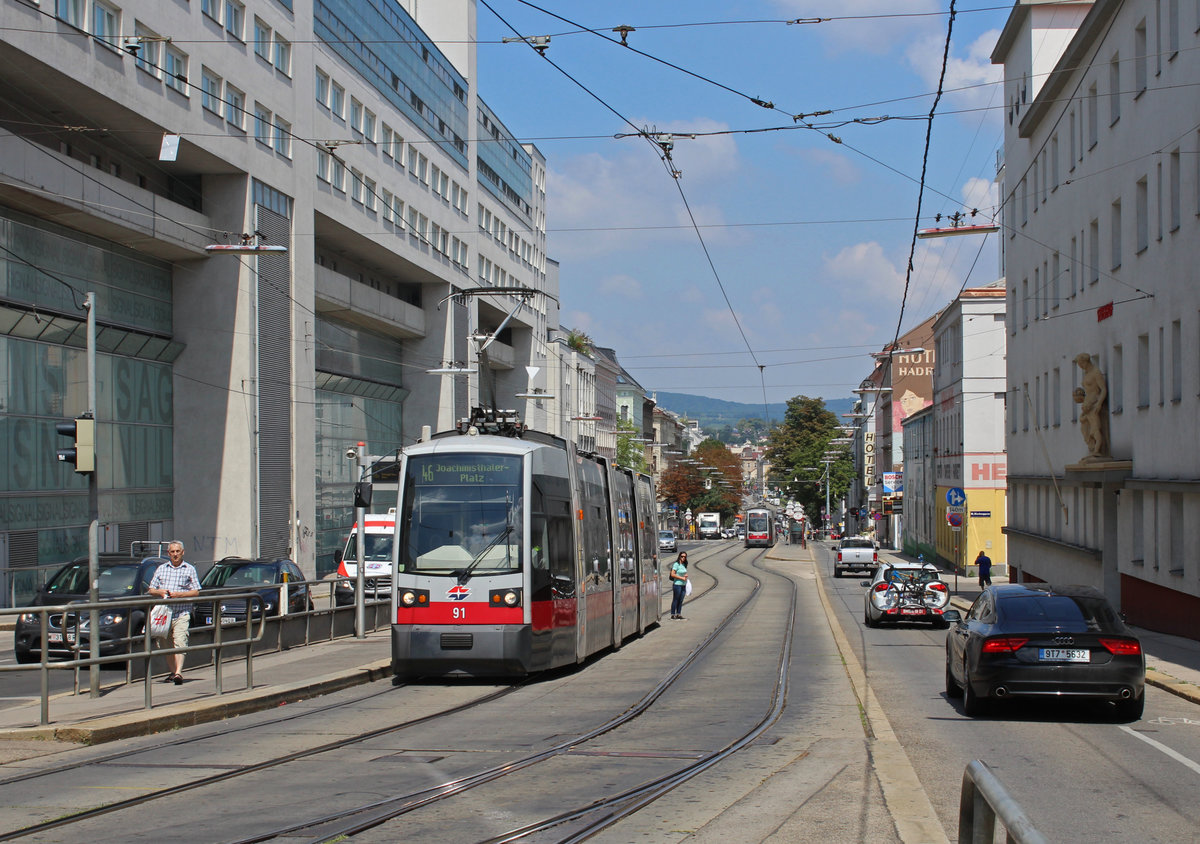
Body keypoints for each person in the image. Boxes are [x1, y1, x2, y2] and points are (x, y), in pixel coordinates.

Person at [148, 541, 201, 685]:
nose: (175, 554)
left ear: (183, 552)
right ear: (168, 553)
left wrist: (179, 595)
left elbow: (196, 591)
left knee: (180, 640)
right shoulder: (161, 569)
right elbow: (151, 589)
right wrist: (161, 592)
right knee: (165, 645)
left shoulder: (189, 569)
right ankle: (173, 671)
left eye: (178, 551)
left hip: (181, 611)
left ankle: (178, 673)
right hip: (165, 614)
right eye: (172, 552)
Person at [668, 551, 689, 620]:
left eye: (685, 557)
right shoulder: (676, 564)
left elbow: (683, 573)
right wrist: (681, 578)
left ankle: (678, 614)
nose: (683, 558)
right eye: (682, 556)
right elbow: (672, 574)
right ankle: (673, 614)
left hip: (683, 584)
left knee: (681, 600)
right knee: (676, 599)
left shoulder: (684, 564)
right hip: (677, 585)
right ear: (679, 556)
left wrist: (685, 575)